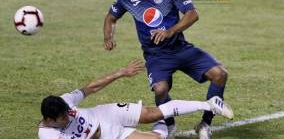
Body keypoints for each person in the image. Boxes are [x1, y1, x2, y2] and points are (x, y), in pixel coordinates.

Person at [103, 0, 230, 138]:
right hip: (155, 55)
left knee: (220, 74)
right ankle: (169, 124)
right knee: (160, 89)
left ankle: (205, 124)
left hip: (180, 48)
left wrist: (170, 31)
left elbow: (193, 14)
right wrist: (107, 37)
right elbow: (111, 18)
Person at [38, 59, 233, 139]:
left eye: (67, 112)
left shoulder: (64, 101)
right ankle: (165, 123)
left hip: (104, 113)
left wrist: (120, 73)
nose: (68, 117)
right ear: (49, 119)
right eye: (63, 117)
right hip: (109, 135)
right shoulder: (48, 135)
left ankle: (208, 104)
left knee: (150, 114)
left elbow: (90, 88)